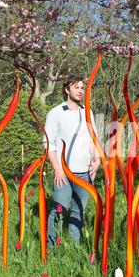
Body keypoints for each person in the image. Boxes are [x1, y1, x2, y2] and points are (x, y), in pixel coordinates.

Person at [43, 75, 101, 247]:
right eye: (77, 87)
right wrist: (57, 169)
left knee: (79, 211)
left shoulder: (87, 112)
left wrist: (97, 160)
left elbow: (93, 140)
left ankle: (73, 247)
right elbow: (48, 143)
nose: (81, 91)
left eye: (82, 88)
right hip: (64, 173)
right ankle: (51, 246)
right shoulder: (55, 113)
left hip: (85, 172)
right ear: (67, 90)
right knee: (59, 210)